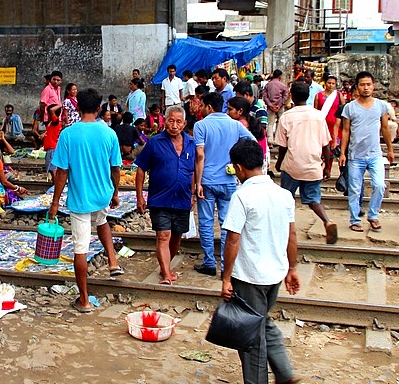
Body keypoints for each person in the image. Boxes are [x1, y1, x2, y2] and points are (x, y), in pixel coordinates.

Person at [221, 138, 301, 384]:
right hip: (275, 274)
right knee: (262, 321)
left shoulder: (242, 195)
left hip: (249, 276)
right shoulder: (283, 194)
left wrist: (225, 277)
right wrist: (292, 268)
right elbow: (291, 235)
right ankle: (284, 373)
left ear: (240, 168)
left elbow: (233, 239)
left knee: (251, 338)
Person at [48, 87, 124, 313]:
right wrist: (116, 193)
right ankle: (113, 262)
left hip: (81, 199)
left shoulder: (68, 134)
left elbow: (61, 172)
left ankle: (84, 300)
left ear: (77, 107)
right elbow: (116, 169)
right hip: (102, 194)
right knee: (102, 222)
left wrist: (54, 203)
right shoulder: (109, 133)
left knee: (80, 248)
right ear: (100, 108)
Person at [193, 91, 255, 276]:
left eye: (202, 105)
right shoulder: (234, 125)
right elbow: (251, 141)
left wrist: (197, 183)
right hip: (228, 179)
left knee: (205, 222)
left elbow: (200, 155)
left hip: (207, 180)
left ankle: (209, 262)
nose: (201, 109)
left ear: (209, 107)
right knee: (227, 223)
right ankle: (226, 265)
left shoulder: (200, 125)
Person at [134, 105, 196, 285]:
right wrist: (139, 197)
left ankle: (166, 265)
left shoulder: (191, 144)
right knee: (163, 235)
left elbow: (192, 172)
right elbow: (140, 170)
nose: (174, 125)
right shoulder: (154, 142)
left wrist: (192, 193)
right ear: (164, 121)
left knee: (177, 235)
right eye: (170, 120)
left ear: (184, 124)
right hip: (159, 198)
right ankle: (166, 272)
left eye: (178, 122)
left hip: (183, 198)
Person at [273, 82, 338, 244]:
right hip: (313, 165)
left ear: (292, 96)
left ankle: (284, 231)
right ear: (308, 96)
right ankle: (327, 221)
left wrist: (279, 163)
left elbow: (282, 146)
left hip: (292, 164)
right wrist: (327, 167)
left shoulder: (287, 117)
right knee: (313, 199)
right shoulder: (318, 116)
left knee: (286, 199)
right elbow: (325, 145)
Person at [339, 71, 395, 233]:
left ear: (373, 86)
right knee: (355, 189)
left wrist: (390, 149)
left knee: (379, 185)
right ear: (357, 87)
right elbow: (345, 131)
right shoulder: (350, 108)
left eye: (368, 84)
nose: (366, 88)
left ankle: (373, 214)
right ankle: (355, 220)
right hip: (355, 156)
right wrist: (342, 153)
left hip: (375, 155)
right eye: (362, 85)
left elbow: (385, 128)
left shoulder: (381, 106)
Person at [314, 75, 345, 178]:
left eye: (333, 84)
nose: (331, 85)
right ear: (325, 83)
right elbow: (316, 110)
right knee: (322, 148)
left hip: (335, 126)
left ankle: (329, 170)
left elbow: (343, 109)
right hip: (323, 124)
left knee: (333, 148)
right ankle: (320, 170)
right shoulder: (319, 95)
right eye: (329, 83)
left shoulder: (338, 95)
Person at [226, 96, 267, 171]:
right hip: (258, 166)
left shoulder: (237, 127)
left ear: (240, 111)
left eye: (230, 109)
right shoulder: (256, 124)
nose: (227, 113)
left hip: (244, 168)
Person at [262, 69, 288, 144]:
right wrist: (279, 105)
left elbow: (265, 96)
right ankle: (277, 139)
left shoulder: (268, 85)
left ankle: (270, 140)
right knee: (280, 122)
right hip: (280, 106)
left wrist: (270, 105)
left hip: (270, 107)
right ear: (280, 76)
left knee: (270, 123)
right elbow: (285, 97)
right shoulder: (283, 86)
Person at [43, 104, 63, 183]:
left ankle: (55, 186)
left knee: (53, 169)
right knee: (51, 169)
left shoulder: (56, 121)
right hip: (50, 148)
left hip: (52, 148)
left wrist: (60, 104)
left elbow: (51, 110)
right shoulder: (51, 123)